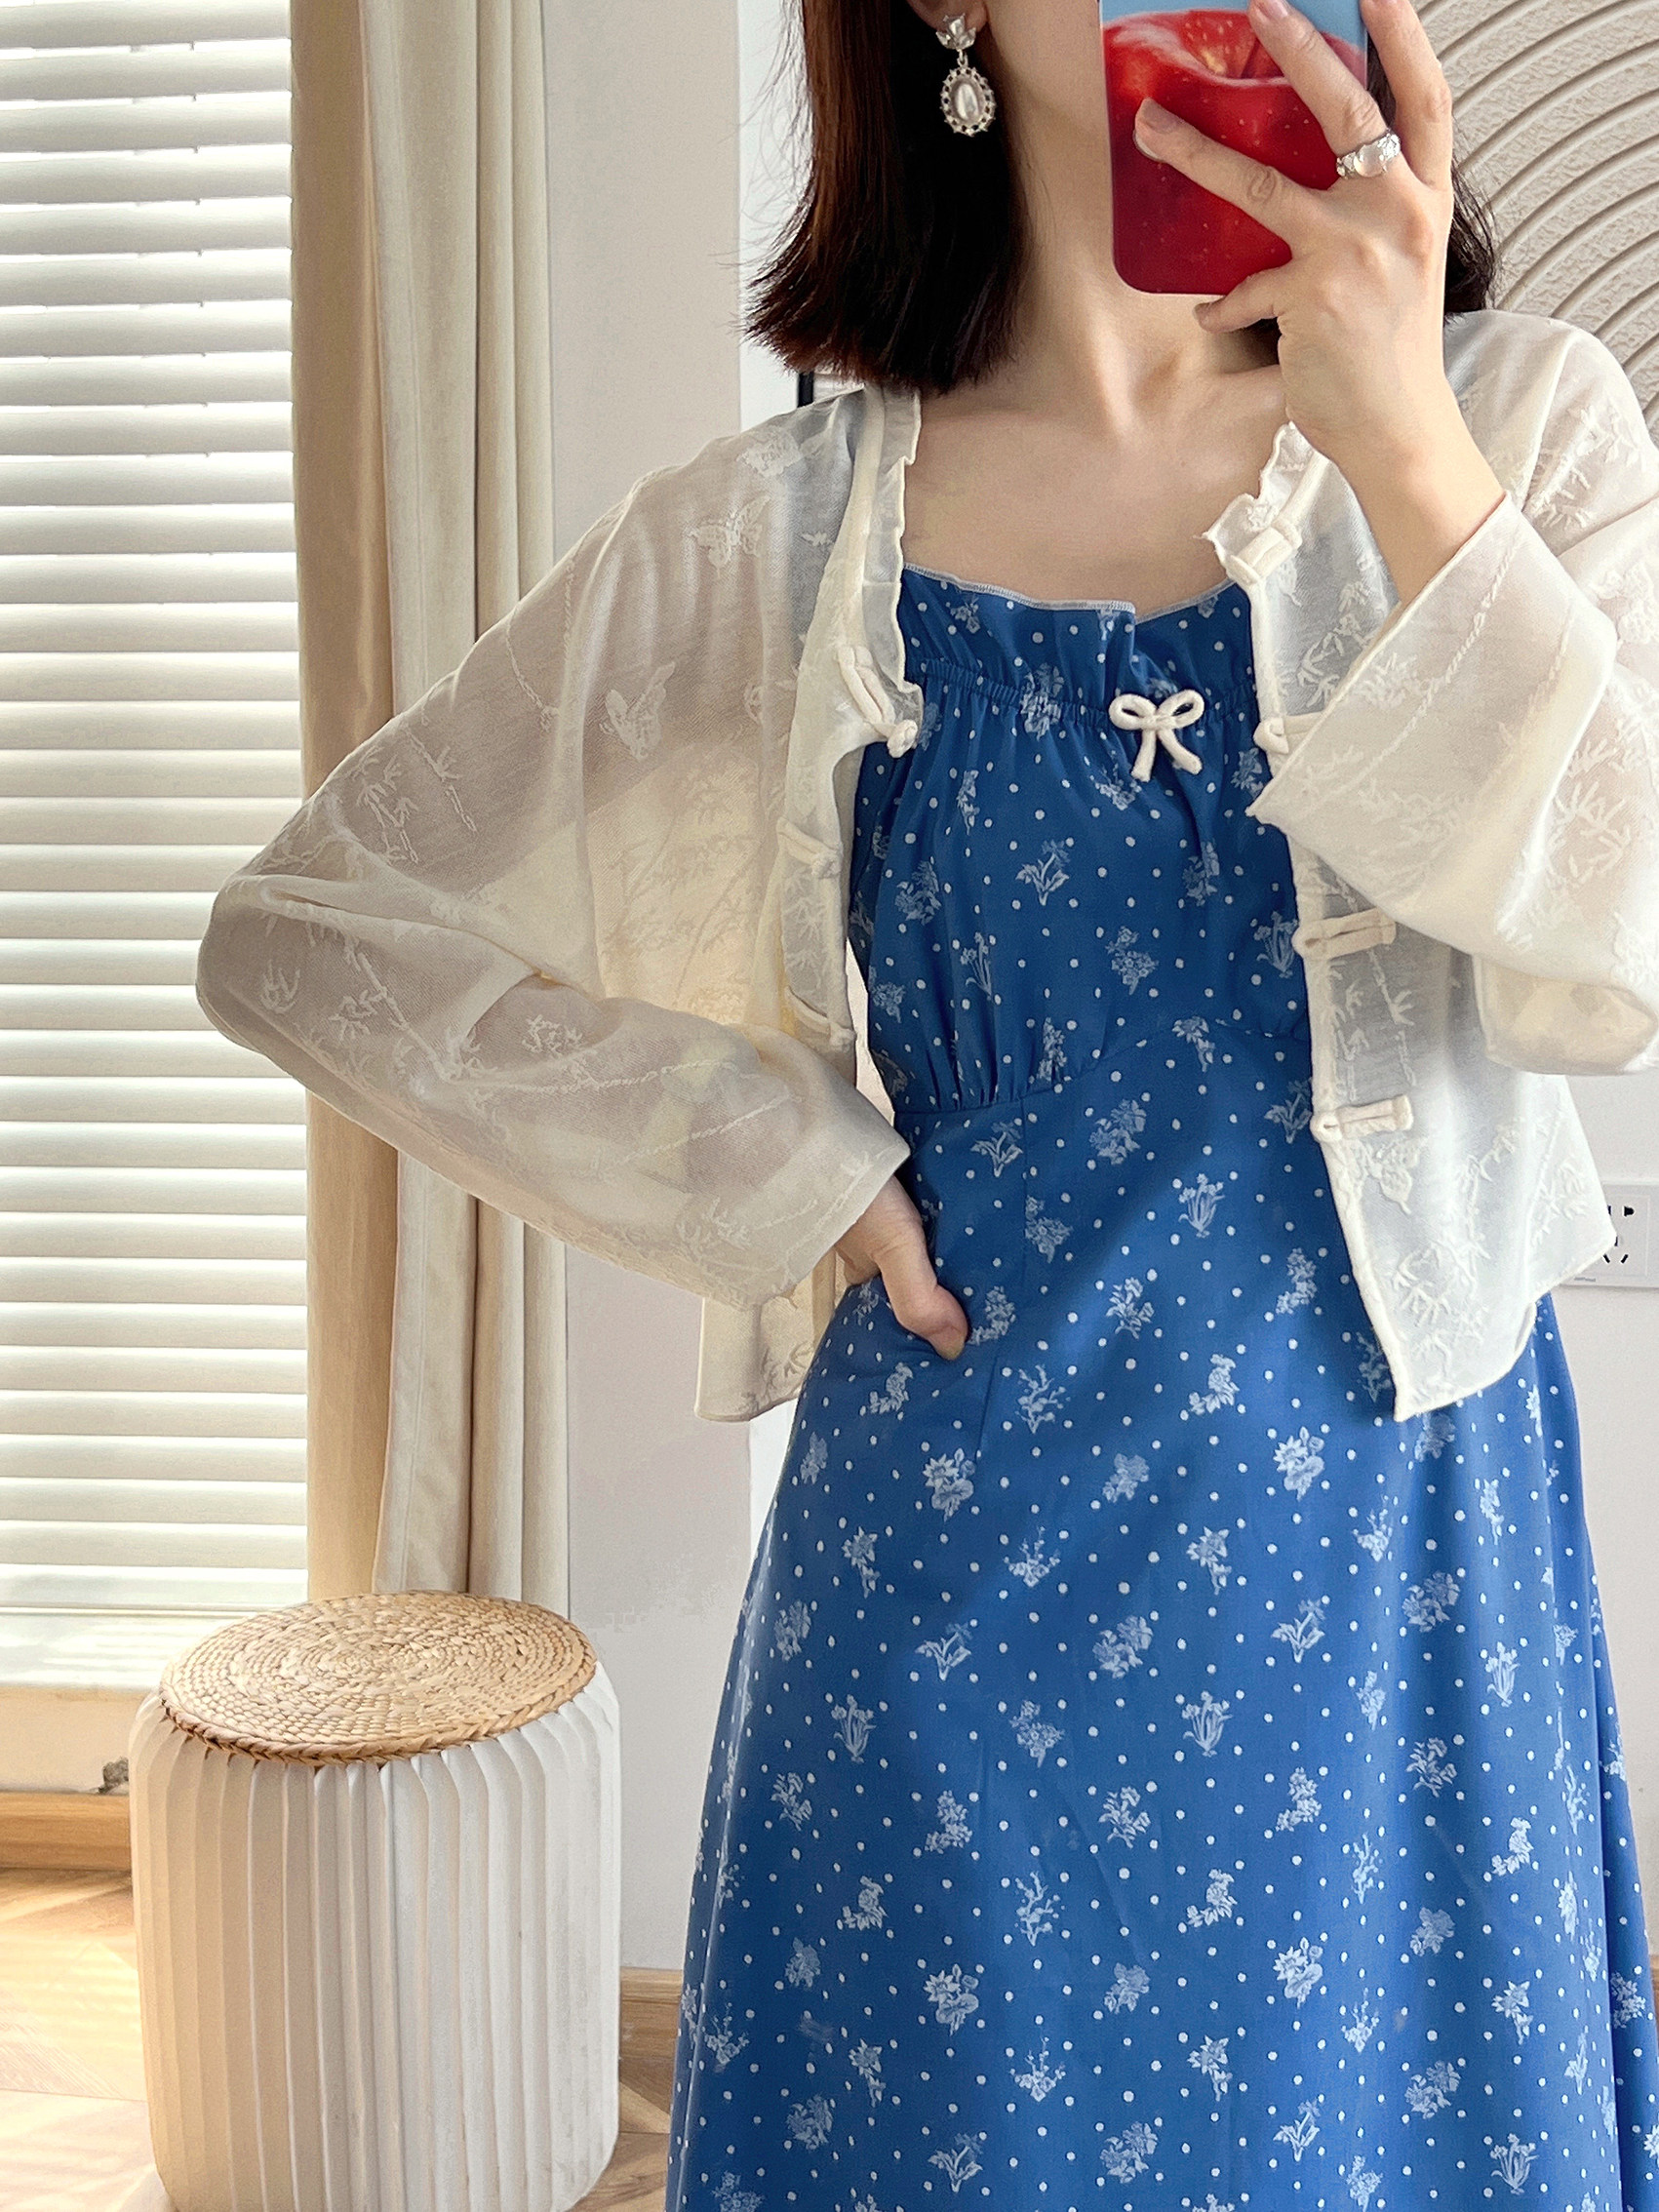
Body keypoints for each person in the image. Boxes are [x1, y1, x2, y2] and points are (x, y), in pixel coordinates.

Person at [194, 0, 1659, 2203]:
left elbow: (1617, 954)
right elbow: (314, 935)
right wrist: (774, 1166)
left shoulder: (1516, 420)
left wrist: (1399, 449)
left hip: (1390, 1579)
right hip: (956, 1571)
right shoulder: (782, 533)